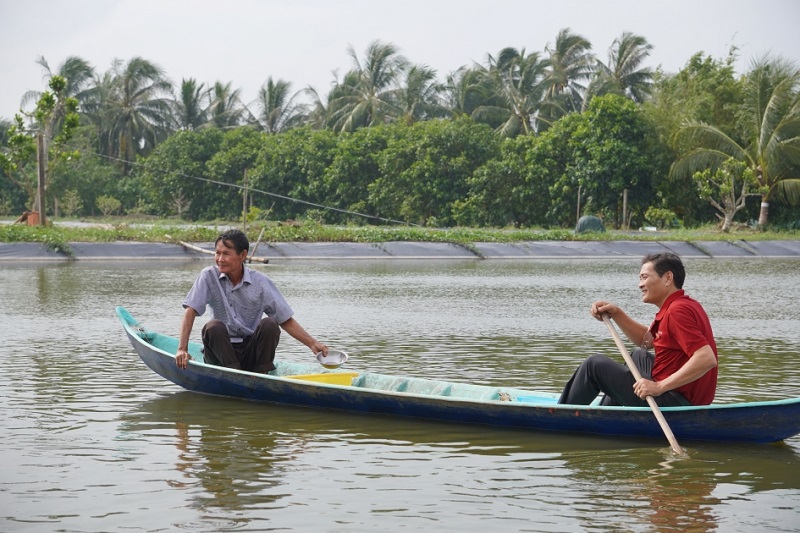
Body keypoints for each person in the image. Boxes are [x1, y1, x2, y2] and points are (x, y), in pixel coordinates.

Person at [558, 252, 718, 407]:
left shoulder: (677, 311)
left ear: (668, 278)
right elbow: (646, 341)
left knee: (594, 365)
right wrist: (617, 313)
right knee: (638, 355)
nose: (640, 284)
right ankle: (607, 412)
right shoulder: (681, 304)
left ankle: (561, 417)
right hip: (678, 395)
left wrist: (659, 387)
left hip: (675, 401)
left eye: (645, 277)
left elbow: (706, 359)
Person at [175, 229, 328, 373]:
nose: (220, 259)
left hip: (251, 351)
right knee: (213, 326)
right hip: (221, 352)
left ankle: (260, 373)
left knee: (270, 324)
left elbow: (285, 319)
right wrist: (182, 349)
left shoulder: (260, 282)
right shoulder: (208, 275)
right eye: (217, 253)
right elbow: (190, 310)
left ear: (242, 255)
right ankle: (233, 373)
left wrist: (312, 343)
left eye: (226, 254)